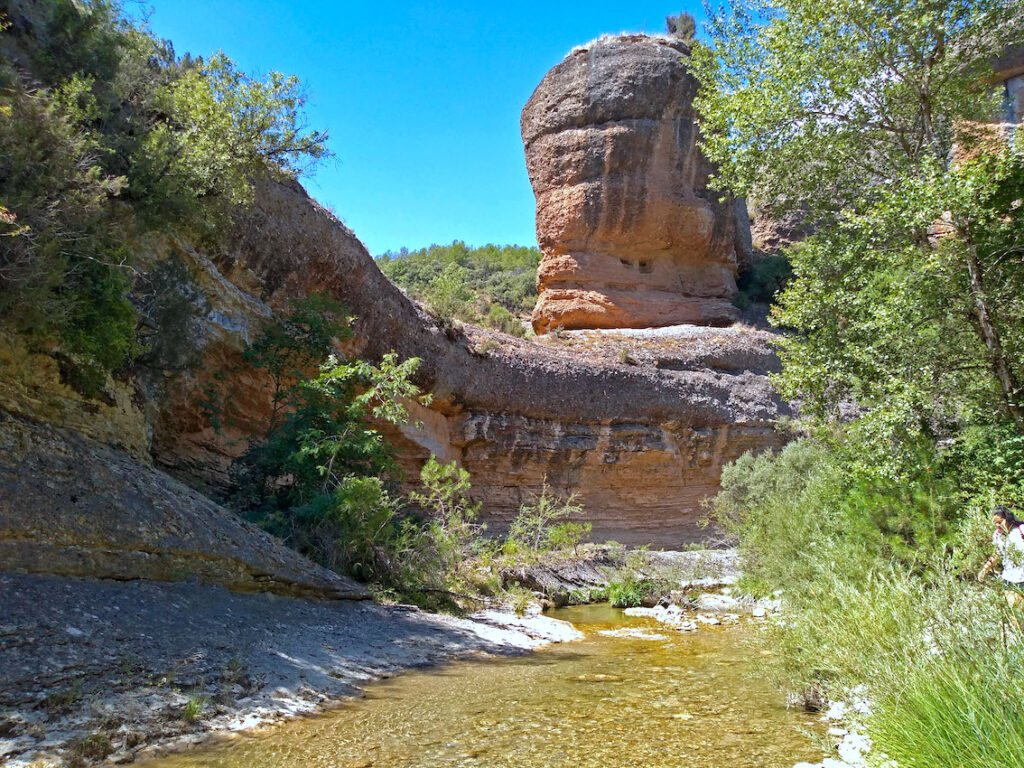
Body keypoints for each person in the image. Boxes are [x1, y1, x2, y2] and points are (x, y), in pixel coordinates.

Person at [977, 505, 1024, 629]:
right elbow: (996, 554)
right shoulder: (997, 535)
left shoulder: (1021, 530)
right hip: (1010, 579)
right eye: (995, 524)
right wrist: (984, 569)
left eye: (1000, 522)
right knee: (1015, 613)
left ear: (1007, 518)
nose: (998, 526)